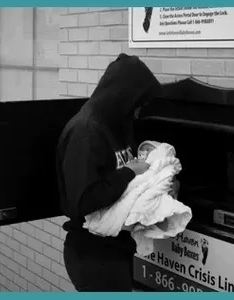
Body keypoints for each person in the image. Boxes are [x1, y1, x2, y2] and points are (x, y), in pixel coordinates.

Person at [55, 53, 168, 291]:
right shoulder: (86, 132)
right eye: (138, 103)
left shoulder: (118, 123)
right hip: (93, 254)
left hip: (116, 249)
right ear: (123, 96)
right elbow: (83, 200)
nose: (139, 110)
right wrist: (129, 172)